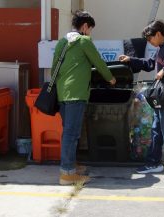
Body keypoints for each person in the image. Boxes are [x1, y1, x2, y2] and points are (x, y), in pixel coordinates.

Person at [119, 20, 164, 180]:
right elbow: (150, 64)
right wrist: (131, 60)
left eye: (150, 38)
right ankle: (154, 162)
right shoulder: (161, 49)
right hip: (162, 99)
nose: (149, 42)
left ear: (158, 34)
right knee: (157, 130)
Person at [53, 10, 116, 185]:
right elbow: (99, 62)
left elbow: (53, 70)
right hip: (77, 93)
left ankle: (70, 166)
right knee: (71, 134)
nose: (90, 33)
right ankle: (67, 174)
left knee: (69, 131)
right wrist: (110, 78)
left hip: (63, 93)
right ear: (85, 26)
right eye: (91, 29)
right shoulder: (84, 41)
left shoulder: (62, 42)